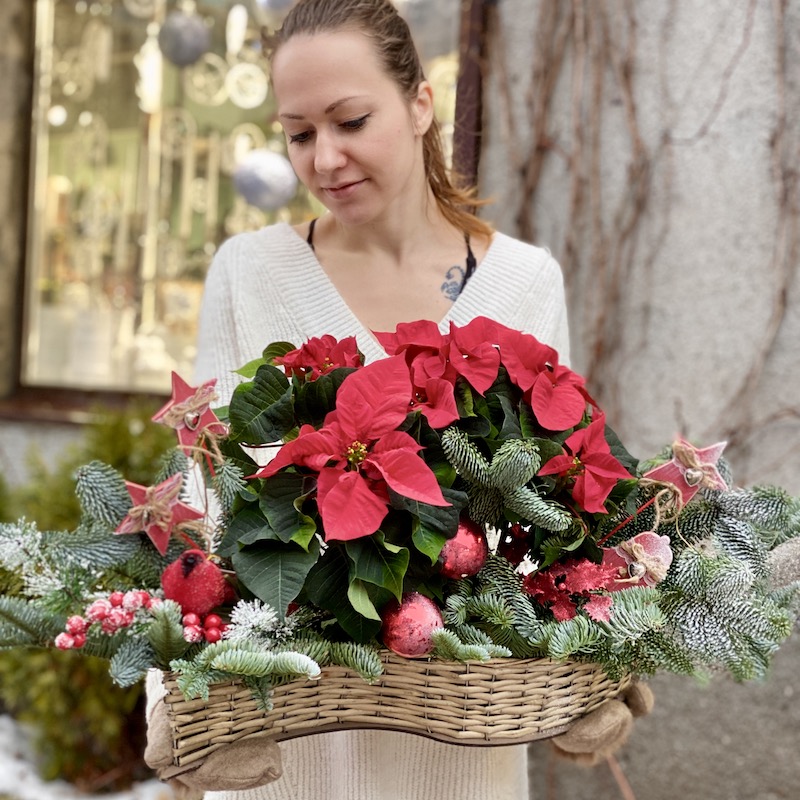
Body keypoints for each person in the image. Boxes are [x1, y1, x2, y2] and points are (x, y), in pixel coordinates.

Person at [144, 1, 651, 797]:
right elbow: (203, 504)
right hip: (288, 743)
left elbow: (552, 511)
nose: (326, 159)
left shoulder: (521, 284)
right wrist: (175, 700)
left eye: (350, 120)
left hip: (461, 741)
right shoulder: (251, 273)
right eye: (300, 133)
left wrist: (597, 667)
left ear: (420, 103)